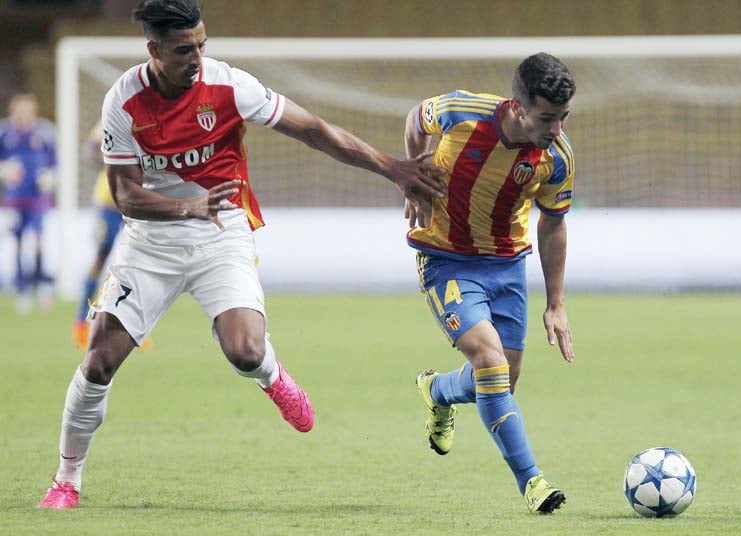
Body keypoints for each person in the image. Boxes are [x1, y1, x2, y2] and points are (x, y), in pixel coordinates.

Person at [38, 0, 445, 510]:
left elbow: (315, 130)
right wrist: (185, 208)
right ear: (154, 50)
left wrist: (392, 168)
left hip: (221, 231)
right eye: (184, 50)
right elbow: (124, 194)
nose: (197, 57)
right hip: (151, 242)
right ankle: (66, 481)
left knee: (245, 352)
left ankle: (274, 377)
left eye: (202, 46)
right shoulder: (123, 101)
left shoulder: (230, 85)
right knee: (98, 362)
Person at [404, 53, 576, 514]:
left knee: (502, 379)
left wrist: (555, 303)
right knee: (490, 363)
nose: (557, 128)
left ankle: (437, 391)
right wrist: (414, 173)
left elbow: (554, 223)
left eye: (563, 117)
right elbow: (415, 118)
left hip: (506, 267)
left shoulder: (556, 157)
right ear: (518, 107)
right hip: (446, 260)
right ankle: (534, 482)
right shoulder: (462, 112)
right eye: (546, 117)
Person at [72, 122, 153, 350]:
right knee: (100, 258)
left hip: (136, 207)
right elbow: (89, 152)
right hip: (108, 205)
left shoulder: (153, 121)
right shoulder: (112, 119)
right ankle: (81, 323)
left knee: (139, 265)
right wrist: (111, 153)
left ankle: (134, 329)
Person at [0, 93, 57, 313]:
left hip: (38, 197)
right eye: (20, 109)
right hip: (14, 198)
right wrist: (5, 171)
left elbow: (56, 162)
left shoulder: (45, 131)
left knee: (39, 239)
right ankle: (22, 288)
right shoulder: (5, 132)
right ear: (13, 110)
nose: (24, 113)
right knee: (17, 242)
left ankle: (42, 285)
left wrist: (50, 177)